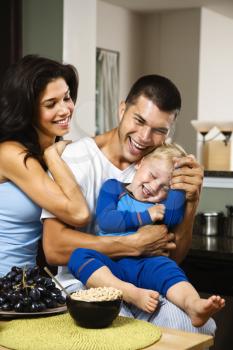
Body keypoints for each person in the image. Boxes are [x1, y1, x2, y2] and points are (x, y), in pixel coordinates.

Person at [42, 74, 216, 334]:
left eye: (159, 130)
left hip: (143, 278)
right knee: (119, 331)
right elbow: (54, 248)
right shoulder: (77, 159)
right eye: (139, 120)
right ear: (122, 108)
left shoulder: (161, 166)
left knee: (197, 328)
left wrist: (192, 200)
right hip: (85, 280)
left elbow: (171, 256)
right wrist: (131, 244)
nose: (145, 137)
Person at [68, 143, 225, 328]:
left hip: (145, 266)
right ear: (140, 163)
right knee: (78, 256)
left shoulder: (162, 205)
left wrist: (180, 175)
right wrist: (146, 215)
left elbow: (174, 215)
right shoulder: (114, 188)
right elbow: (106, 220)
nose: (154, 187)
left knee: (167, 268)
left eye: (165, 188)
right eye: (152, 176)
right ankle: (128, 292)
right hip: (111, 263)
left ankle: (193, 305)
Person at [0, 55, 90, 277]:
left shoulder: (53, 153)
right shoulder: (11, 153)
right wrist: (52, 155)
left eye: (67, 98)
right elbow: (78, 213)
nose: (65, 110)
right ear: (27, 110)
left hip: (25, 286)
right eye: (51, 104)